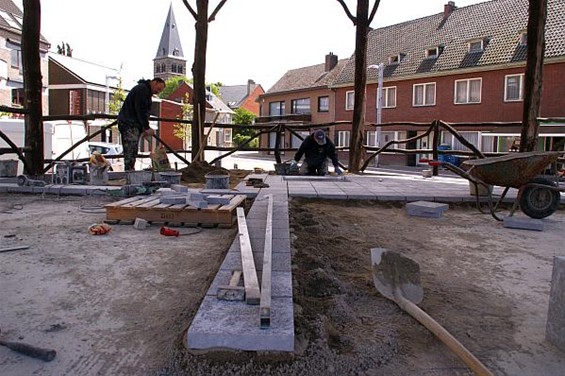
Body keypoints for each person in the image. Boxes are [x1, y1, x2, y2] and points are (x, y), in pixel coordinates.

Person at [117, 77, 166, 171]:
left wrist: (143, 127)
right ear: (154, 82)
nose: (157, 92)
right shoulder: (142, 90)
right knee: (131, 150)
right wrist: (146, 127)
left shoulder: (144, 91)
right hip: (129, 123)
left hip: (131, 123)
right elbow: (141, 109)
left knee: (132, 149)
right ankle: (129, 173)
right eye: (158, 89)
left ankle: (130, 172)